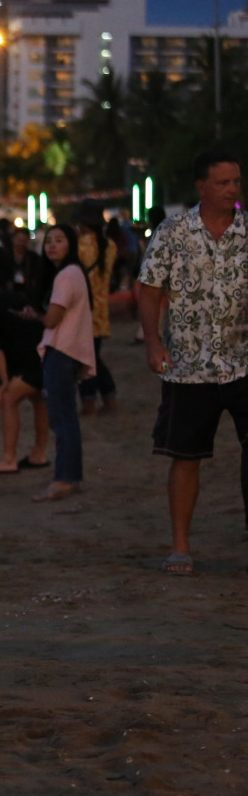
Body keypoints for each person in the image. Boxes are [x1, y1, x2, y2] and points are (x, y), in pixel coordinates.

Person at [137, 150, 248, 575]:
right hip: (188, 365)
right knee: (185, 457)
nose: (232, 190)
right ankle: (180, 545)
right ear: (201, 186)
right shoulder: (174, 231)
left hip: (242, 362)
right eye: (223, 183)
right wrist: (151, 341)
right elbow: (149, 287)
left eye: (236, 181)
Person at [0, 266, 50, 474]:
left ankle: (9, 459)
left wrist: (4, 381)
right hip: (45, 356)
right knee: (39, 400)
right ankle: (39, 454)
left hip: (26, 362)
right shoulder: (19, 299)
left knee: (8, 399)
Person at [35, 222, 96, 502]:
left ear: (71, 244)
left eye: (59, 240)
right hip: (68, 350)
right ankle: (70, 476)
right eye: (49, 241)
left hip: (61, 350)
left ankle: (65, 479)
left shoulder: (66, 276)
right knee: (66, 417)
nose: (52, 245)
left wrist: (35, 316)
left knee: (61, 419)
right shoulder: (73, 273)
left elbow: (52, 318)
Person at [74, 210, 119, 415]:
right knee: (93, 357)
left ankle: (89, 401)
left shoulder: (79, 246)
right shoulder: (110, 246)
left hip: (81, 309)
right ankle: (108, 398)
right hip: (100, 310)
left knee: (85, 360)